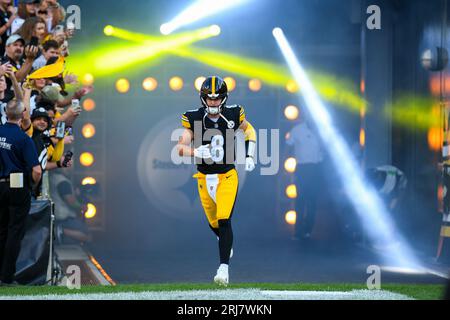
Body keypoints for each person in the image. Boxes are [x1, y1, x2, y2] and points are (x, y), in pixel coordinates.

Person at [177, 76, 257, 286]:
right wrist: (195, 151)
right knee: (214, 224)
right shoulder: (192, 118)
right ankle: (225, 243)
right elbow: (180, 148)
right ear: (203, 98)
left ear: (224, 98)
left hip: (227, 175)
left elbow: (249, 130)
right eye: (209, 98)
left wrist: (250, 155)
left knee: (224, 220)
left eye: (216, 98)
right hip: (203, 177)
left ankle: (223, 269)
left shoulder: (233, 113)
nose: (213, 102)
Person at [0, 99, 41, 286]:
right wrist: (33, 185)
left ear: (6, 113)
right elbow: (37, 170)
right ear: (23, 114)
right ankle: (6, 277)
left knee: (1, 230)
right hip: (16, 184)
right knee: (14, 232)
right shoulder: (23, 138)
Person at [286, 109, 325, 240]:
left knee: (312, 200)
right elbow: (288, 145)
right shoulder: (297, 130)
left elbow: (324, 149)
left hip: (316, 168)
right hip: (302, 168)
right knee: (300, 200)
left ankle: (308, 229)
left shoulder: (321, 130)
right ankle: (298, 231)